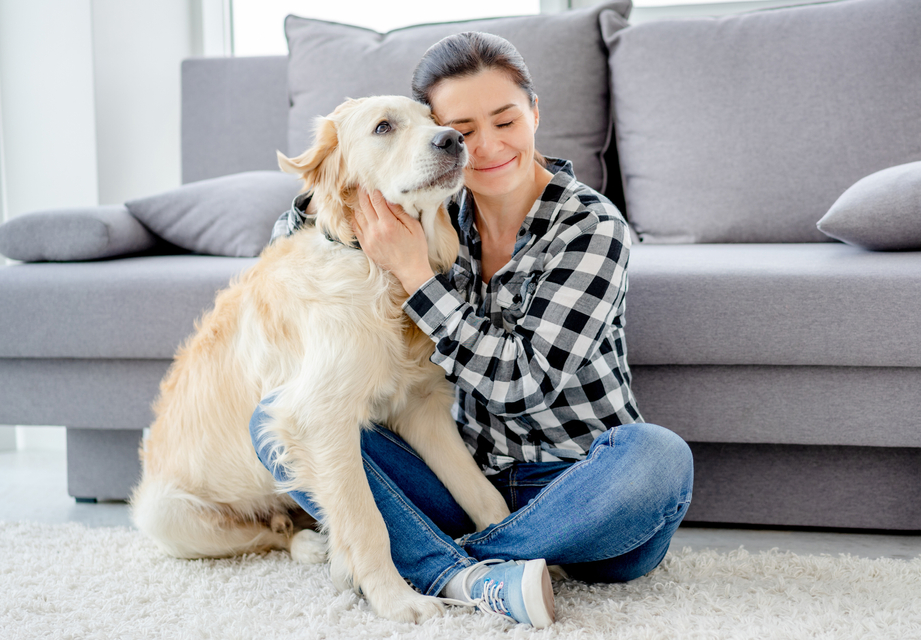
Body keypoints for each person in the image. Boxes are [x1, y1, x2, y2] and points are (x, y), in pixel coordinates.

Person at [253, 31, 694, 628]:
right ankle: (482, 576)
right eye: (460, 131)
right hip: (461, 484)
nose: (484, 147)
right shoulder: (431, 206)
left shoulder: (591, 226)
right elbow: (313, 212)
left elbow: (522, 383)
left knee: (660, 459)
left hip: (583, 493)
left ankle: (443, 568)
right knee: (279, 417)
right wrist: (332, 198)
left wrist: (415, 275)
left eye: (506, 121)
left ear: (535, 114)